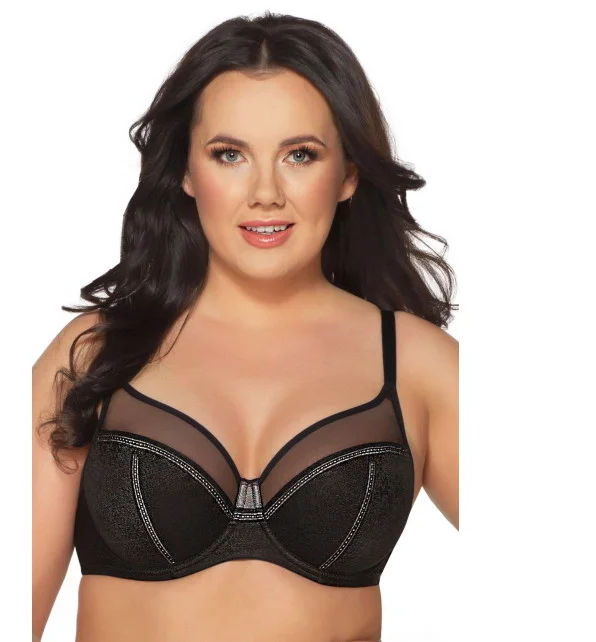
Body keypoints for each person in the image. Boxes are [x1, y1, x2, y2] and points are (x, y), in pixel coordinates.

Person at [32, 11, 458, 642]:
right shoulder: (95, 353)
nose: (265, 192)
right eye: (229, 155)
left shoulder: (417, 364)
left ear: (347, 174)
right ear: (185, 170)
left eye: (300, 155)